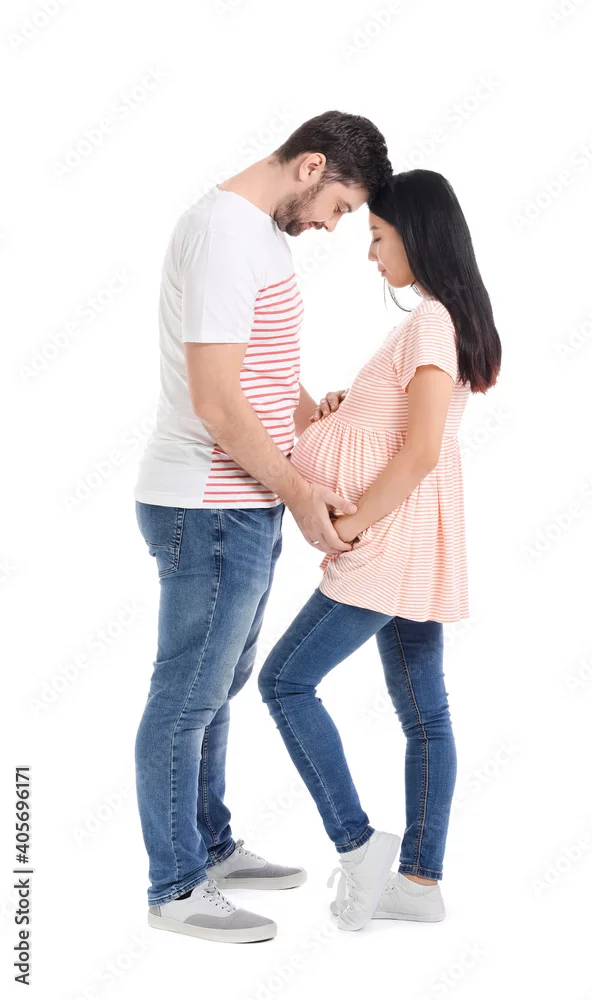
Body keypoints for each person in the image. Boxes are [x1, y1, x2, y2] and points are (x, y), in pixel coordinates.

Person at [133, 111, 392, 944]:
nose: (333, 227)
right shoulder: (223, 233)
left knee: (216, 691)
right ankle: (175, 888)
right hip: (207, 504)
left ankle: (208, 846)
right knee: (185, 701)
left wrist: (317, 419)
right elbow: (216, 402)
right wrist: (303, 496)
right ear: (311, 165)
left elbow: (261, 373)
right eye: (340, 208)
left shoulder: (260, 237)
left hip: (243, 502)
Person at [258, 169, 502, 932]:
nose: (371, 255)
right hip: (414, 540)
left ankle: (358, 845)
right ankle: (419, 883)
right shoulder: (440, 322)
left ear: (417, 236)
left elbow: (422, 449)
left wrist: (354, 525)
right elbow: (398, 427)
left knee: (285, 682)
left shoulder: (430, 321)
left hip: (390, 540)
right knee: (425, 713)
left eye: (378, 237)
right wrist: (343, 408)